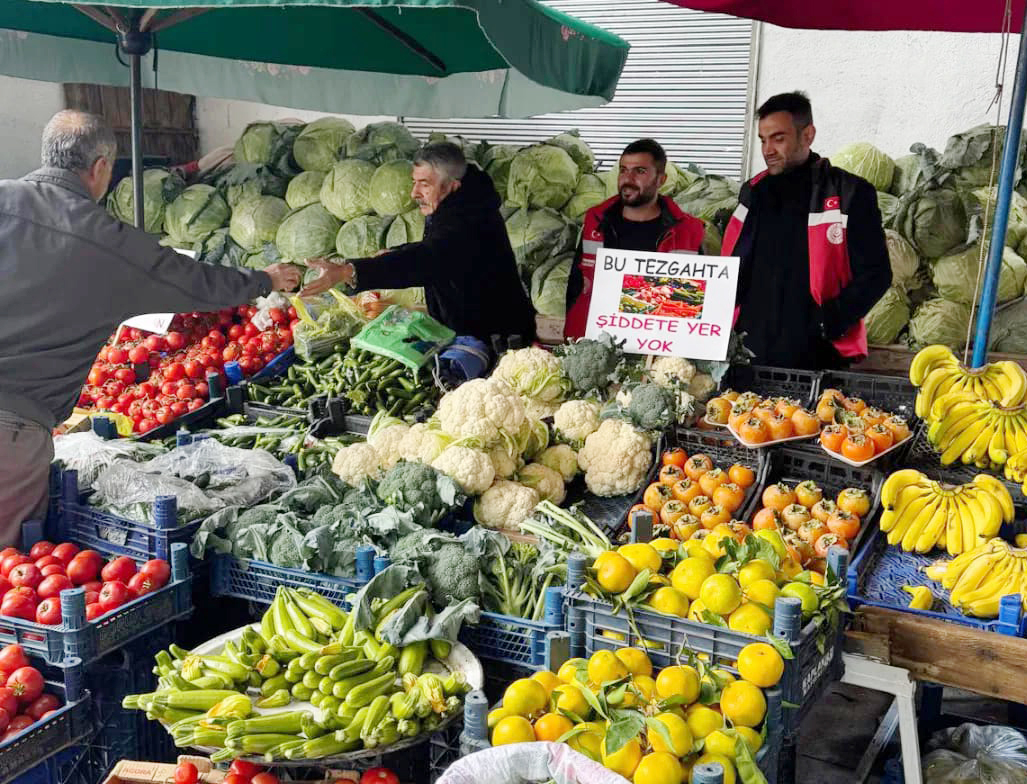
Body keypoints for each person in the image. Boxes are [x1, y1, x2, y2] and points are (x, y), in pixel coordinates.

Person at [0, 110, 300, 548]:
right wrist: (264, 280)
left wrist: (191, 171)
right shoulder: (103, 239)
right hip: (12, 430)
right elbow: (193, 281)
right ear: (101, 167)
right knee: (10, 570)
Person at [301, 142, 536, 346]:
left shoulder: (470, 219)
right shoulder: (460, 202)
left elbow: (430, 259)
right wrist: (395, 252)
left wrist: (349, 271)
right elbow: (439, 248)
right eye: (414, 182)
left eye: (424, 184)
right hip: (471, 328)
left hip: (498, 337)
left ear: (452, 185)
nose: (414, 192)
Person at [722, 91, 891, 369]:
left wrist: (829, 321)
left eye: (778, 138)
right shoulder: (753, 192)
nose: (767, 150)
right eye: (763, 140)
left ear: (808, 135)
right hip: (750, 351)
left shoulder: (850, 193)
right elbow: (733, 264)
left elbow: (877, 274)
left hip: (816, 356)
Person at [564, 139, 705, 339]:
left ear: (660, 180)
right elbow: (576, 286)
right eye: (623, 170)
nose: (627, 179)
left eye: (640, 171)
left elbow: (691, 301)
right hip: (597, 338)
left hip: (656, 343)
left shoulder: (687, 230)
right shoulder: (596, 222)